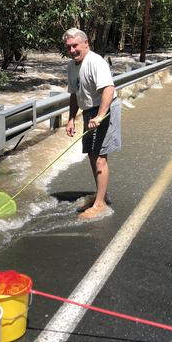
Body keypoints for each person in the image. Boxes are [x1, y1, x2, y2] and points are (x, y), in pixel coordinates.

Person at [63, 28, 121, 220]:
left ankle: (100, 204)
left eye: (75, 46)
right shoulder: (72, 66)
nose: (72, 50)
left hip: (105, 110)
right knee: (91, 154)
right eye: (68, 47)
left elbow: (109, 90)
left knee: (99, 158)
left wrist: (100, 115)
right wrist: (71, 118)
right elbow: (74, 93)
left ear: (86, 43)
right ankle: (100, 194)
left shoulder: (96, 62)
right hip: (89, 111)